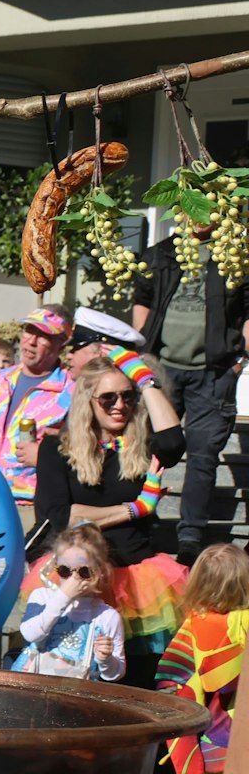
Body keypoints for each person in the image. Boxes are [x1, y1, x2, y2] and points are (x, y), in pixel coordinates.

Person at [32, 351, 185, 686]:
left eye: (127, 396)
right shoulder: (56, 448)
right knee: (71, 674)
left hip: (135, 579)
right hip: (77, 576)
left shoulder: (140, 445)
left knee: (134, 678)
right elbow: (62, 516)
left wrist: (143, 380)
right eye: (108, 397)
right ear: (88, 400)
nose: (120, 405)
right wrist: (137, 508)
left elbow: (174, 441)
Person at [130, 220, 249, 564]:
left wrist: (240, 362)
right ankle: (140, 521)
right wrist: (143, 353)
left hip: (213, 374)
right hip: (163, 371)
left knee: (202, 456)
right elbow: (142, 298)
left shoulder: (233, 256)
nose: (198, 214)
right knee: (149, 449)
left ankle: (190, 538)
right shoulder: (161, 254)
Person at [154, 543, 249, 774]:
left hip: (222, 736)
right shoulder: (215, 624)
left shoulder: (204, 622)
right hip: (220, 736)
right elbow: (209, 677)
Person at [0, 305, 74, 525]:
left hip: (32, 504)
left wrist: (47, 455)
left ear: (60, 345)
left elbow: (82, 452)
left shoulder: (71, 390)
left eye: (43, 335)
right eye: (29, 330)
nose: (31, 341)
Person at [14, 525, 126, 681]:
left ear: (100, 572)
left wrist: (105, 659)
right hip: (32, 684)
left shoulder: (107, 616)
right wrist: (63, 596)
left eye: (84, 572)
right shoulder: (42, 597)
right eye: (65, 571)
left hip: (76, 696)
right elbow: (30, 634)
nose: (73, 579)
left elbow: (115, 674)